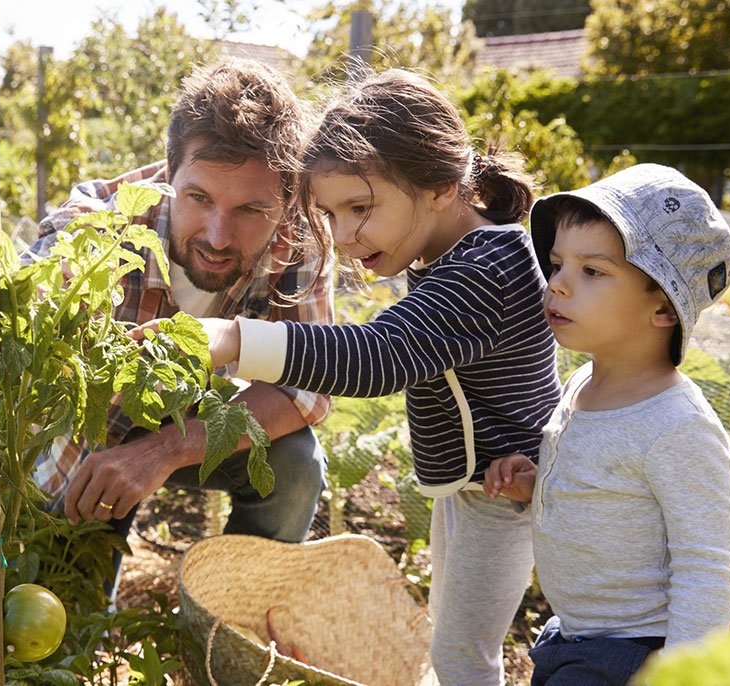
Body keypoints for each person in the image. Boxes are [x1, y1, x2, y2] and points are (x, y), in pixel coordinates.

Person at [145, 69, 563, 685]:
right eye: (330, 214)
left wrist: (233, 339)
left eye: (360, 209)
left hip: (506, 494)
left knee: (461, 654)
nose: (341, 238)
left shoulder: (487, 270)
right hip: (483, 488)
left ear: (443, 186)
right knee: (455, 639)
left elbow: (377, 355)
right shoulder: (459, 255)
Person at [0, 59, 335, 568]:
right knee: (65, 608)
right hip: (89, 439)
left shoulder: (301, 239)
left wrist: (163, 451)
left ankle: (237, 612)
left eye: (250, 210)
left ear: (285, 200)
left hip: (194, 421)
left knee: (295, 463)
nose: (218, 235)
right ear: (170, 174)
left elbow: (305, 385)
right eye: (199, 198)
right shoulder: (101, 226)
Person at [483, 163, 730, 685]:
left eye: (592, 271)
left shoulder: (677, 428)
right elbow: (604, 491)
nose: (557, 285)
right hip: (573, 635)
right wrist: (537, 484)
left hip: (634, 653)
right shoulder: (581, 384)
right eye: (556, 264)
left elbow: (705, 571)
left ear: (664, 306)